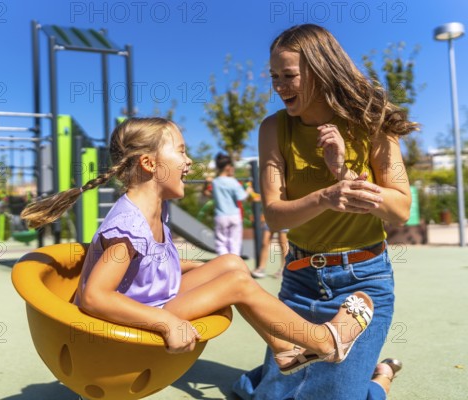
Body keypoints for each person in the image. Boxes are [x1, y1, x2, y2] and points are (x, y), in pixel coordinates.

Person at [21, 117, 374, 370]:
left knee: (232, 264)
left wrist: (204, 271)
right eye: (181, 152)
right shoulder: (128, 225)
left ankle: (283, 349)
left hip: (153, 301)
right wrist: (166, 324)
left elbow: (151, 269)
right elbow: (95, 297)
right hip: (129, 323)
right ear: (149, 164)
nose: (189, 161)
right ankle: (326, 342)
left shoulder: (155, 211)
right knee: (236, 282)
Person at [233, 24, 416, 399]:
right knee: (271, 396)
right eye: (274, 77)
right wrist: (327, 196)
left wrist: (344, 173)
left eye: (289, 76)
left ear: (320, 72)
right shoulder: (273, 129)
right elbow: (275, 215)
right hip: (300, 282)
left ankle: (378, 378)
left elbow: (399, 209)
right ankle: (349, 374)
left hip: (363, 286)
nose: (279, 86)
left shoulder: (373, 122)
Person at [203, 153, 255, 256]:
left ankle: (224, 263)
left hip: (221, 216)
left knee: (221, 243)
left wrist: (206, 183)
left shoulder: (215, 182)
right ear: (228, 167)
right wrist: (248, 191)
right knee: (235, 243)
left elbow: (208, 194)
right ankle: (234, 265)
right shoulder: (233, 182)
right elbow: (242, 197)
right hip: (234, 215)